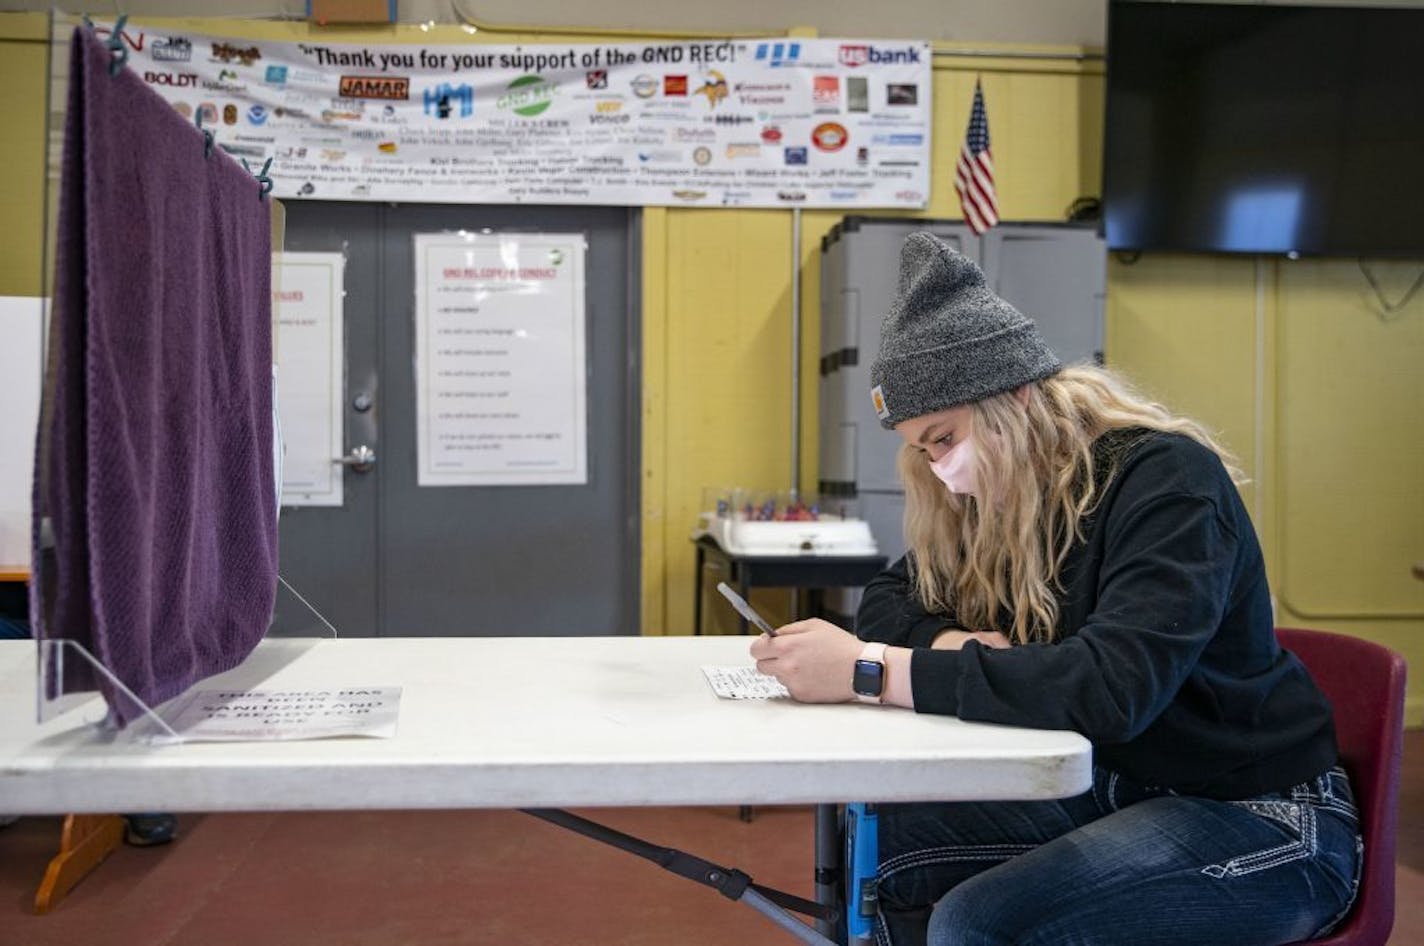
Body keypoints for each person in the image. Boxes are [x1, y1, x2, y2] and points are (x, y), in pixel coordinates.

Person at [750, 232, 1361, 946]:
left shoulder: (1167, 482)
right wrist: (949, 640)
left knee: (979, 923)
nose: (941, 469)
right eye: (923, 449)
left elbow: (1111, 689)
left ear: (1012, 398)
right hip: (1111, 786)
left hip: (1258, 813)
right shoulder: (1001, 502)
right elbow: (891, 597)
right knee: (892, 846)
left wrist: (869, 671)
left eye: (945, 438)